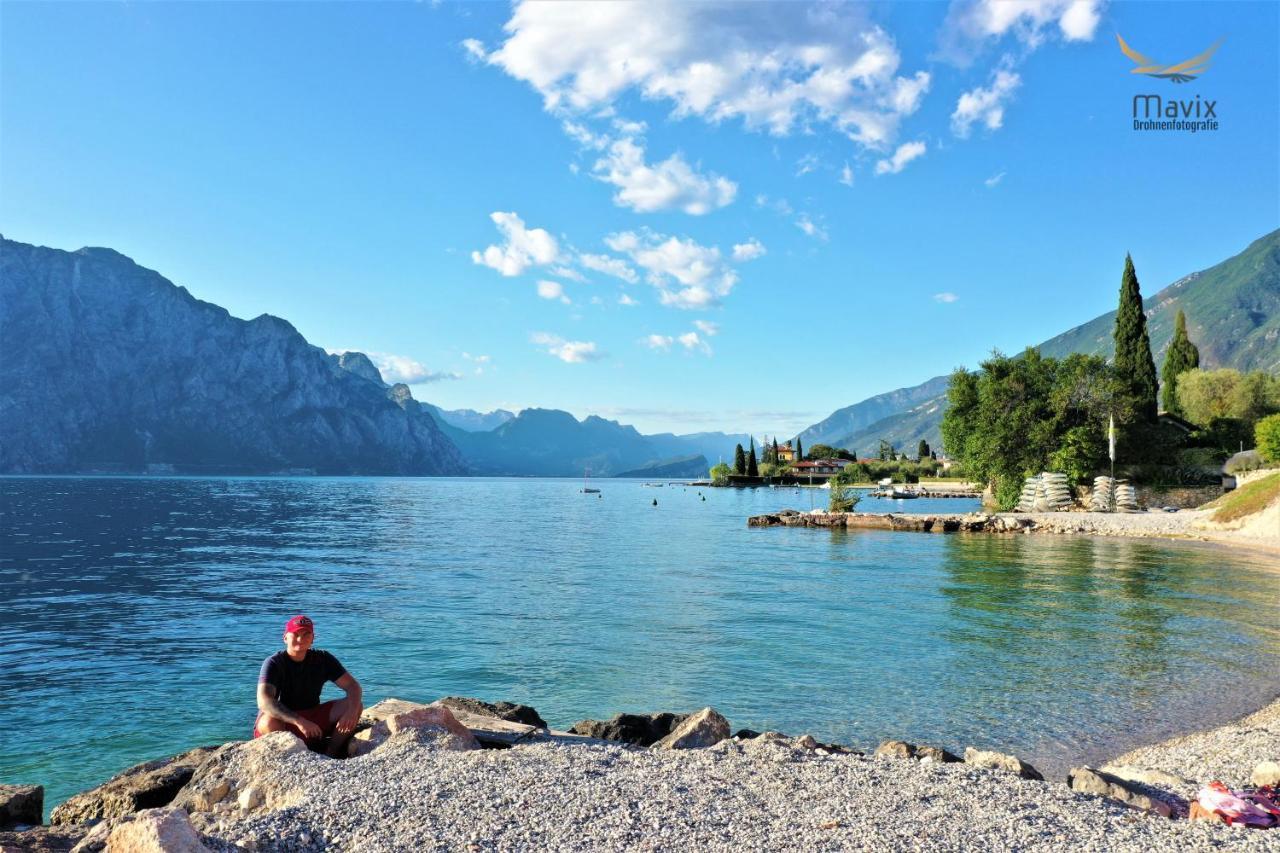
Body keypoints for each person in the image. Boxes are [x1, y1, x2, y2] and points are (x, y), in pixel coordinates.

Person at [254, 614, 362, 757]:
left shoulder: (323, 659)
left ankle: (331, 752)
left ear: (313, 638)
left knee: (355, 705)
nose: (300, 638)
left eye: (306, 634)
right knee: (268, 721)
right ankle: (290, 755)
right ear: (285, 637)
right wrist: (300, 721)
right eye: (295, 634)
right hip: (285, 721)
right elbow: (264, 701)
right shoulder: (274, 663)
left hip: (313, 715)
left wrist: (351, 712)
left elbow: (353, 686)